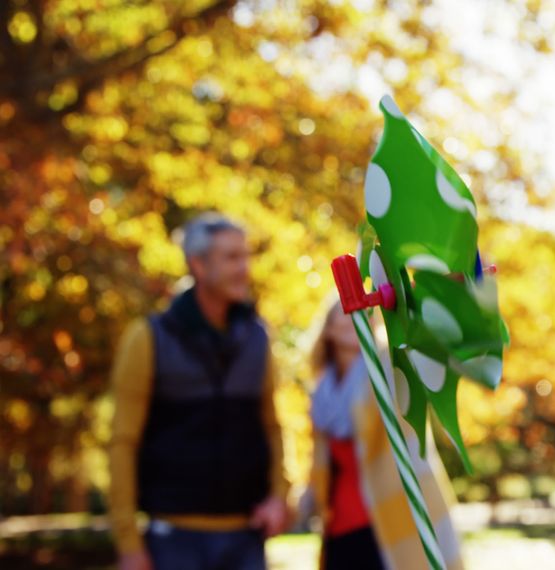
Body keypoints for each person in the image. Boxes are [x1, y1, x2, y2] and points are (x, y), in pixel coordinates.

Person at [108, 213, 288, 570]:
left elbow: (271, 425)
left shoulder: (257, 336)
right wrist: (129, 542)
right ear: (198, 265)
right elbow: (123, 442)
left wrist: (279, 497)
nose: (244, 268)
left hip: (245, 538)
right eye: (232, 257)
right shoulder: (147, 338)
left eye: (246, 256)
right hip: (173, 540)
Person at [309, 302, 463, 570]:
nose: (353, 321)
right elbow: (321, 466)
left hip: (391, 517)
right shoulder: (322, 393)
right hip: (341, 526)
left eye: (360, 315)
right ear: (329, 329)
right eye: (344, 315)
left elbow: (423, 352)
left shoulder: (387, 368)